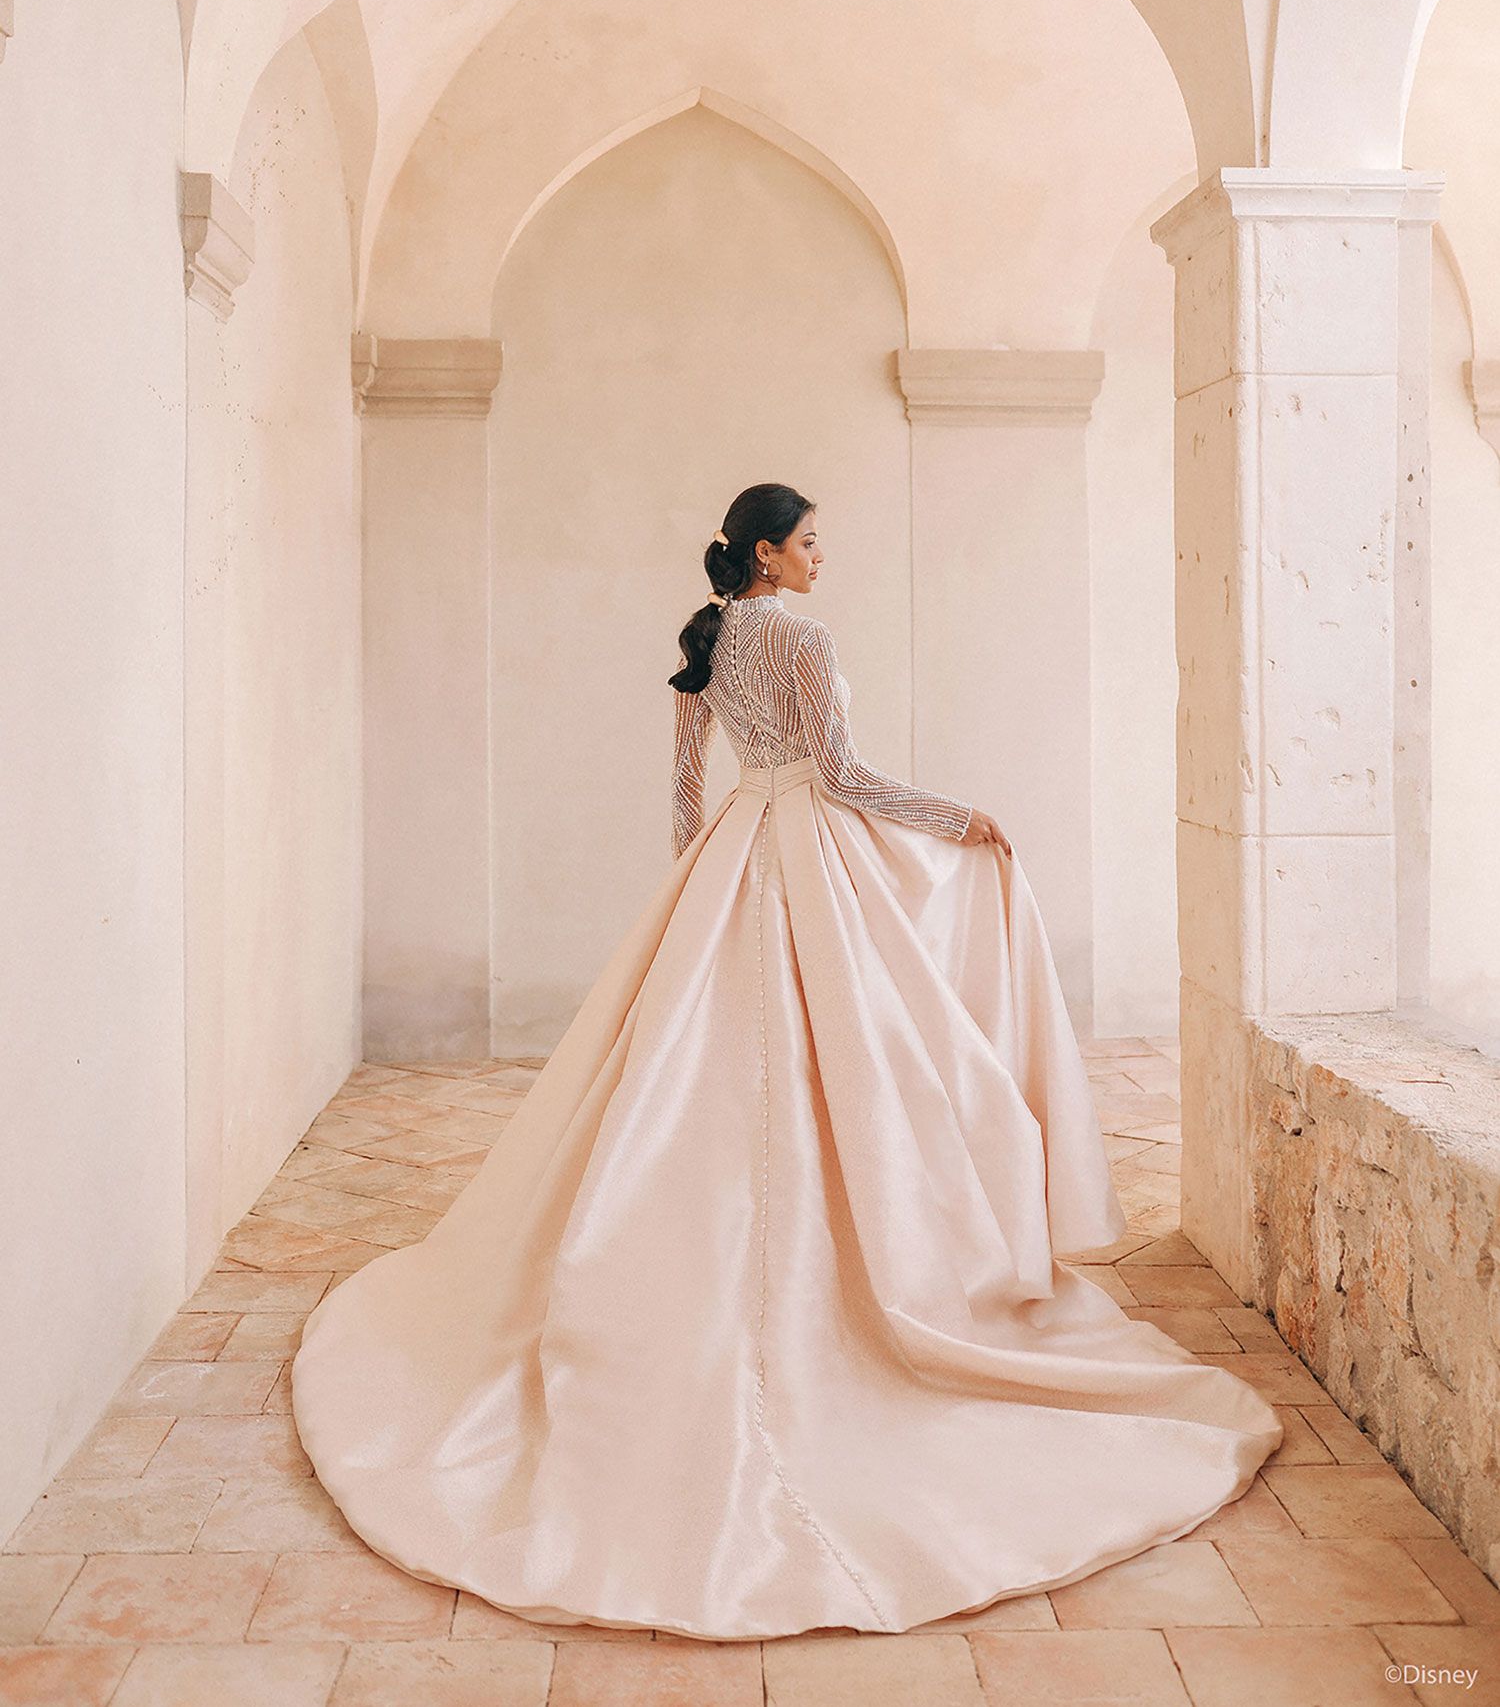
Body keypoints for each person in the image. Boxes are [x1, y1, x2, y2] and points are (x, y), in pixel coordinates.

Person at [291, 480, 1282, 1639]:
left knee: (687, 1085)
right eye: (811, 543)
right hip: (808, 850)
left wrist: (695, 896)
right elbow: (847, 778)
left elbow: (681, 802)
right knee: (854, 1068)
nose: (824, 559)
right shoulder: (800, 639)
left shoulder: (707, 642)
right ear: (768, 553)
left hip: (730, 862)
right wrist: (960, 818)